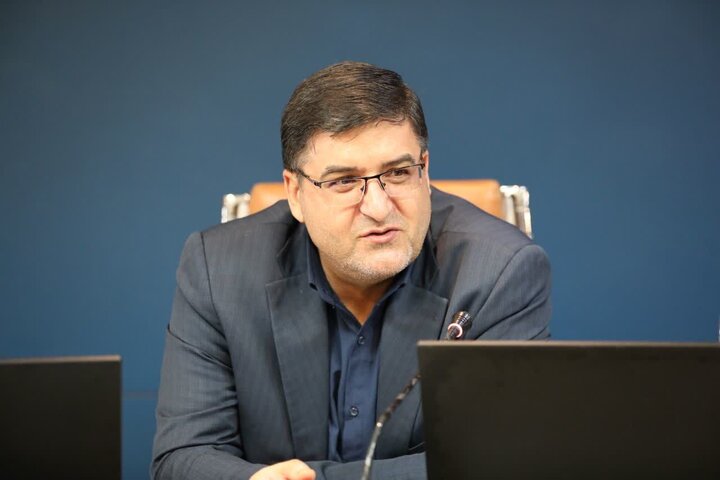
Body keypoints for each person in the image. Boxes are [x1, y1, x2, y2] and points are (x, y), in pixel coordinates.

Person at [151, 61, 551, 480]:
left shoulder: (500, 272)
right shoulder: (218, 269)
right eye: (343, 181)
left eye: (398, 173)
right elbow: (184, 456)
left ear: (425, 169)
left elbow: (503, 461)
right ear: (295, 193)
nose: (378, 207)